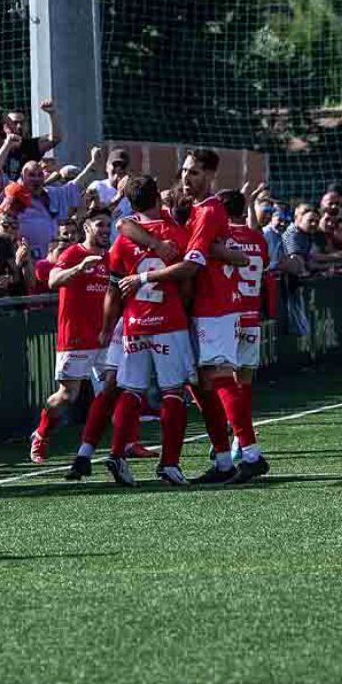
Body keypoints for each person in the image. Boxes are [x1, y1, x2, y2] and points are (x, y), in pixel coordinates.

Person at [117, 149, 267, 484]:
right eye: (185, 171)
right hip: (200, 308)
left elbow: (193, 263)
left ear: (211, 175)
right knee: (200, 383)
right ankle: (225, 461)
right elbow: (124, 223)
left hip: (214, 305)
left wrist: (142, 278)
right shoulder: (190, 210)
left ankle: (252, 454)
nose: (187, 178)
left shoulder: (210, 210)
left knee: (219, 376)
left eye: (195, 173)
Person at [100, 178, 194, 486]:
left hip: (134, 322)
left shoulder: (122, 239)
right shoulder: (175, 233)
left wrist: (106, 328)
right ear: (157, 197)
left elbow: (113, 290)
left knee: (130, 389)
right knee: (173, 392)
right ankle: (169, 464)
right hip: (168, 321)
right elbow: (187, 282)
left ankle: (116, 453)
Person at [29, 208, 112, 463]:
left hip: (105, 337)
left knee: (115, 389)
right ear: (86, 227)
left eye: (109, 225)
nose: (105, 230)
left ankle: (127, 444)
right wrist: (79, 268)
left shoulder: (110, 258)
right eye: (100, 225)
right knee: (68, 396)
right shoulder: (73, 253)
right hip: (76, 336)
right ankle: (41, 434)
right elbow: (53, 280)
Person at [218, 190, 272, 460]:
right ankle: (242, 439)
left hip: (225, 316)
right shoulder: (258, 239)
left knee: (220, 381)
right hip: (252, 317)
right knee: (245, 383)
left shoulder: (222, 238)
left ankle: (228, 438)